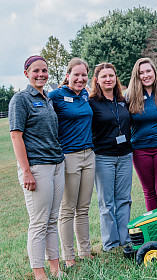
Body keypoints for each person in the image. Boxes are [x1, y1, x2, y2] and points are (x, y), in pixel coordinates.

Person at [9, 55, 65, 280]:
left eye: (44, 70)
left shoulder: (48, 98)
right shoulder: (20, 100)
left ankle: (55, 268)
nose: (41, 74)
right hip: (36, 167)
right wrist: (27, 172)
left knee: (52, 220)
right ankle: (39, 273)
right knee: (39, 222)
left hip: (56, 165)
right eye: (35, 71)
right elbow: (16, 137)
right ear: (26, 74)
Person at [48, 58, 95, 267]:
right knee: (68, 209)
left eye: (83, 75)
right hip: (69, 157)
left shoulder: (85, 94)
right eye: (76, 75)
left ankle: (85, 251)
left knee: (83, 208)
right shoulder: (56, 96)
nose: (80, 78)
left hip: (89, 155)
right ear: (67, 75)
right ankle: (69, 257)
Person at [89, 63, 133, 251]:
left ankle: (125, 239)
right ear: (97, 80)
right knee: (106, 202)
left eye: (111, 75)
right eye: (104, 76)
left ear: (116, 78)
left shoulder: (122, 100)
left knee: (124, 199)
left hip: (125, 155)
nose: (108, 79)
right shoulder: (91, 103)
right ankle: (110, 242)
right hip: (103, 157)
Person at [127, 58, 157, 211]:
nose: (145, 75)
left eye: (148, 71)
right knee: (149, 192)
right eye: (141, 73)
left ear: (154, 72)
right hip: (140, 149)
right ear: (137, 75)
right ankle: (154, 231)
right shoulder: (129, 96)